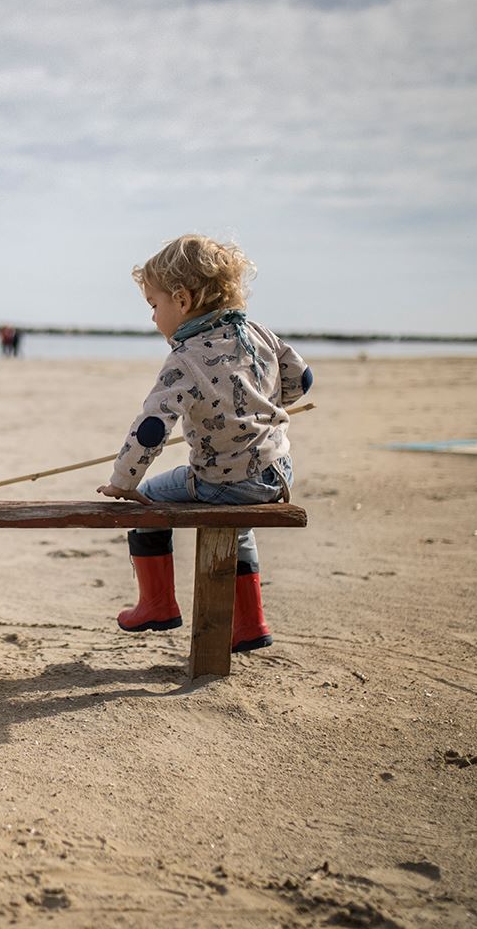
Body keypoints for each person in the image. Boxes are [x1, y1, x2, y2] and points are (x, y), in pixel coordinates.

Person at [96, 234, 313, 650]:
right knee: (237, 527)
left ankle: (157, 604)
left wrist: (124, 483)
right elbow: (301, 379)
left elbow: (151, 430)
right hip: (276, 473)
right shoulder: (258, 333)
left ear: (182, 300)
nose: (153, 317)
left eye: (154, 306)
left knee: (150, 504)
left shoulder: (186, 358)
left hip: (225, 480)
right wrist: (259, 407)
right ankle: (250, 624)